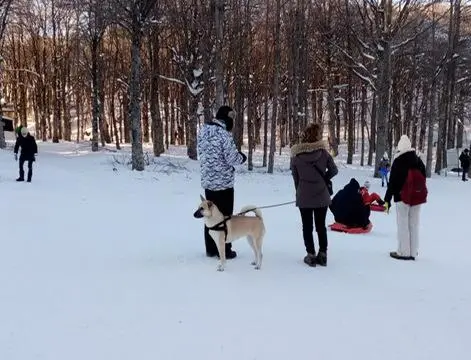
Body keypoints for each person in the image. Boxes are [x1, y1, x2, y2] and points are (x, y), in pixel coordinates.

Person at [197, 105, 247, 259]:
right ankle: (224, 249)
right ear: (228, 119)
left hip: (209, 183)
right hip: (224, 184)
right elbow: (232, 158)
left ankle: (211, 249)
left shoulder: (203, 131)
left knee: (210, 216)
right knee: (225, 217)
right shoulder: (224, 135)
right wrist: (242, 157)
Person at [290, 123, 338, 267]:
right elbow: (334, 170)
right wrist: (324, 178)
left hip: (304, 195)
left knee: (307, 226)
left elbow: (295, 176)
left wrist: (299, 189)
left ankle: (310, 254)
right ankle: (323, 254)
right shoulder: (323, 153)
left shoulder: (296, 155)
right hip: (321, 195)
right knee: (320, 226)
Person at [384, 135, 427, 261]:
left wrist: (387, 199)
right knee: (414, 224)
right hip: (417, 198)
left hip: (402, 197)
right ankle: (413, 252)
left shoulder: (399, 161)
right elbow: (423, 178)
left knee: (403, 224)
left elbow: (392, 183)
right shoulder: (418, 161)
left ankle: (403, 251)